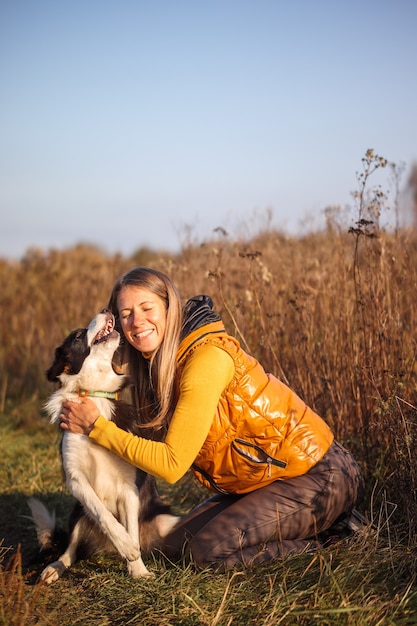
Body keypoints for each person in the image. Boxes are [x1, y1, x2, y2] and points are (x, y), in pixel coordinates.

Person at [60, 266, 364, 572]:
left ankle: (333, 537)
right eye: (125, 313)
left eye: (147, 308)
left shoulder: (205, 359)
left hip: (319, 476)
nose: (137, 322)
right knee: (174, 545)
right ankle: (298, 528)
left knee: (205, 553)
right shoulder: (157, 365)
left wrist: (96, 427)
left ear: (170, 308)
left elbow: (171, 464)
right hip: (263, 482)